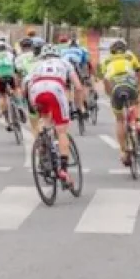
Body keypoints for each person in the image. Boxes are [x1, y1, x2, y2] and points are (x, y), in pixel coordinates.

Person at [24, 45, 82, 185]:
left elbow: (24, 85)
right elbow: (78, 87)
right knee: (62, 130)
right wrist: (78, 108)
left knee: (45, 121)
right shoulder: (65, 63)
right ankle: (63, 169)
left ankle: (43, 150)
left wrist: (31, 107)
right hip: (55, 88)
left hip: (35, 90)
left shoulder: (36, 65)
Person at [99, 40, 140, 167]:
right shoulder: (130, 56)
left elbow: (106, 81)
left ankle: (124, 151)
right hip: (130, 85)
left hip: (116, 88)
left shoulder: (106, 60)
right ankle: (138, 122)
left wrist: (110, 95)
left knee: (120, 120)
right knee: (137, 101)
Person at [60, 36, 92, 120]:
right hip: (77, 67)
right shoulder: (82, 49)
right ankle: (82, 108)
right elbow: (85, 62)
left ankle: (69, 105)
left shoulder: (63, 50)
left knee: (67, 88)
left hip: (65, 67)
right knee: (79, 87)